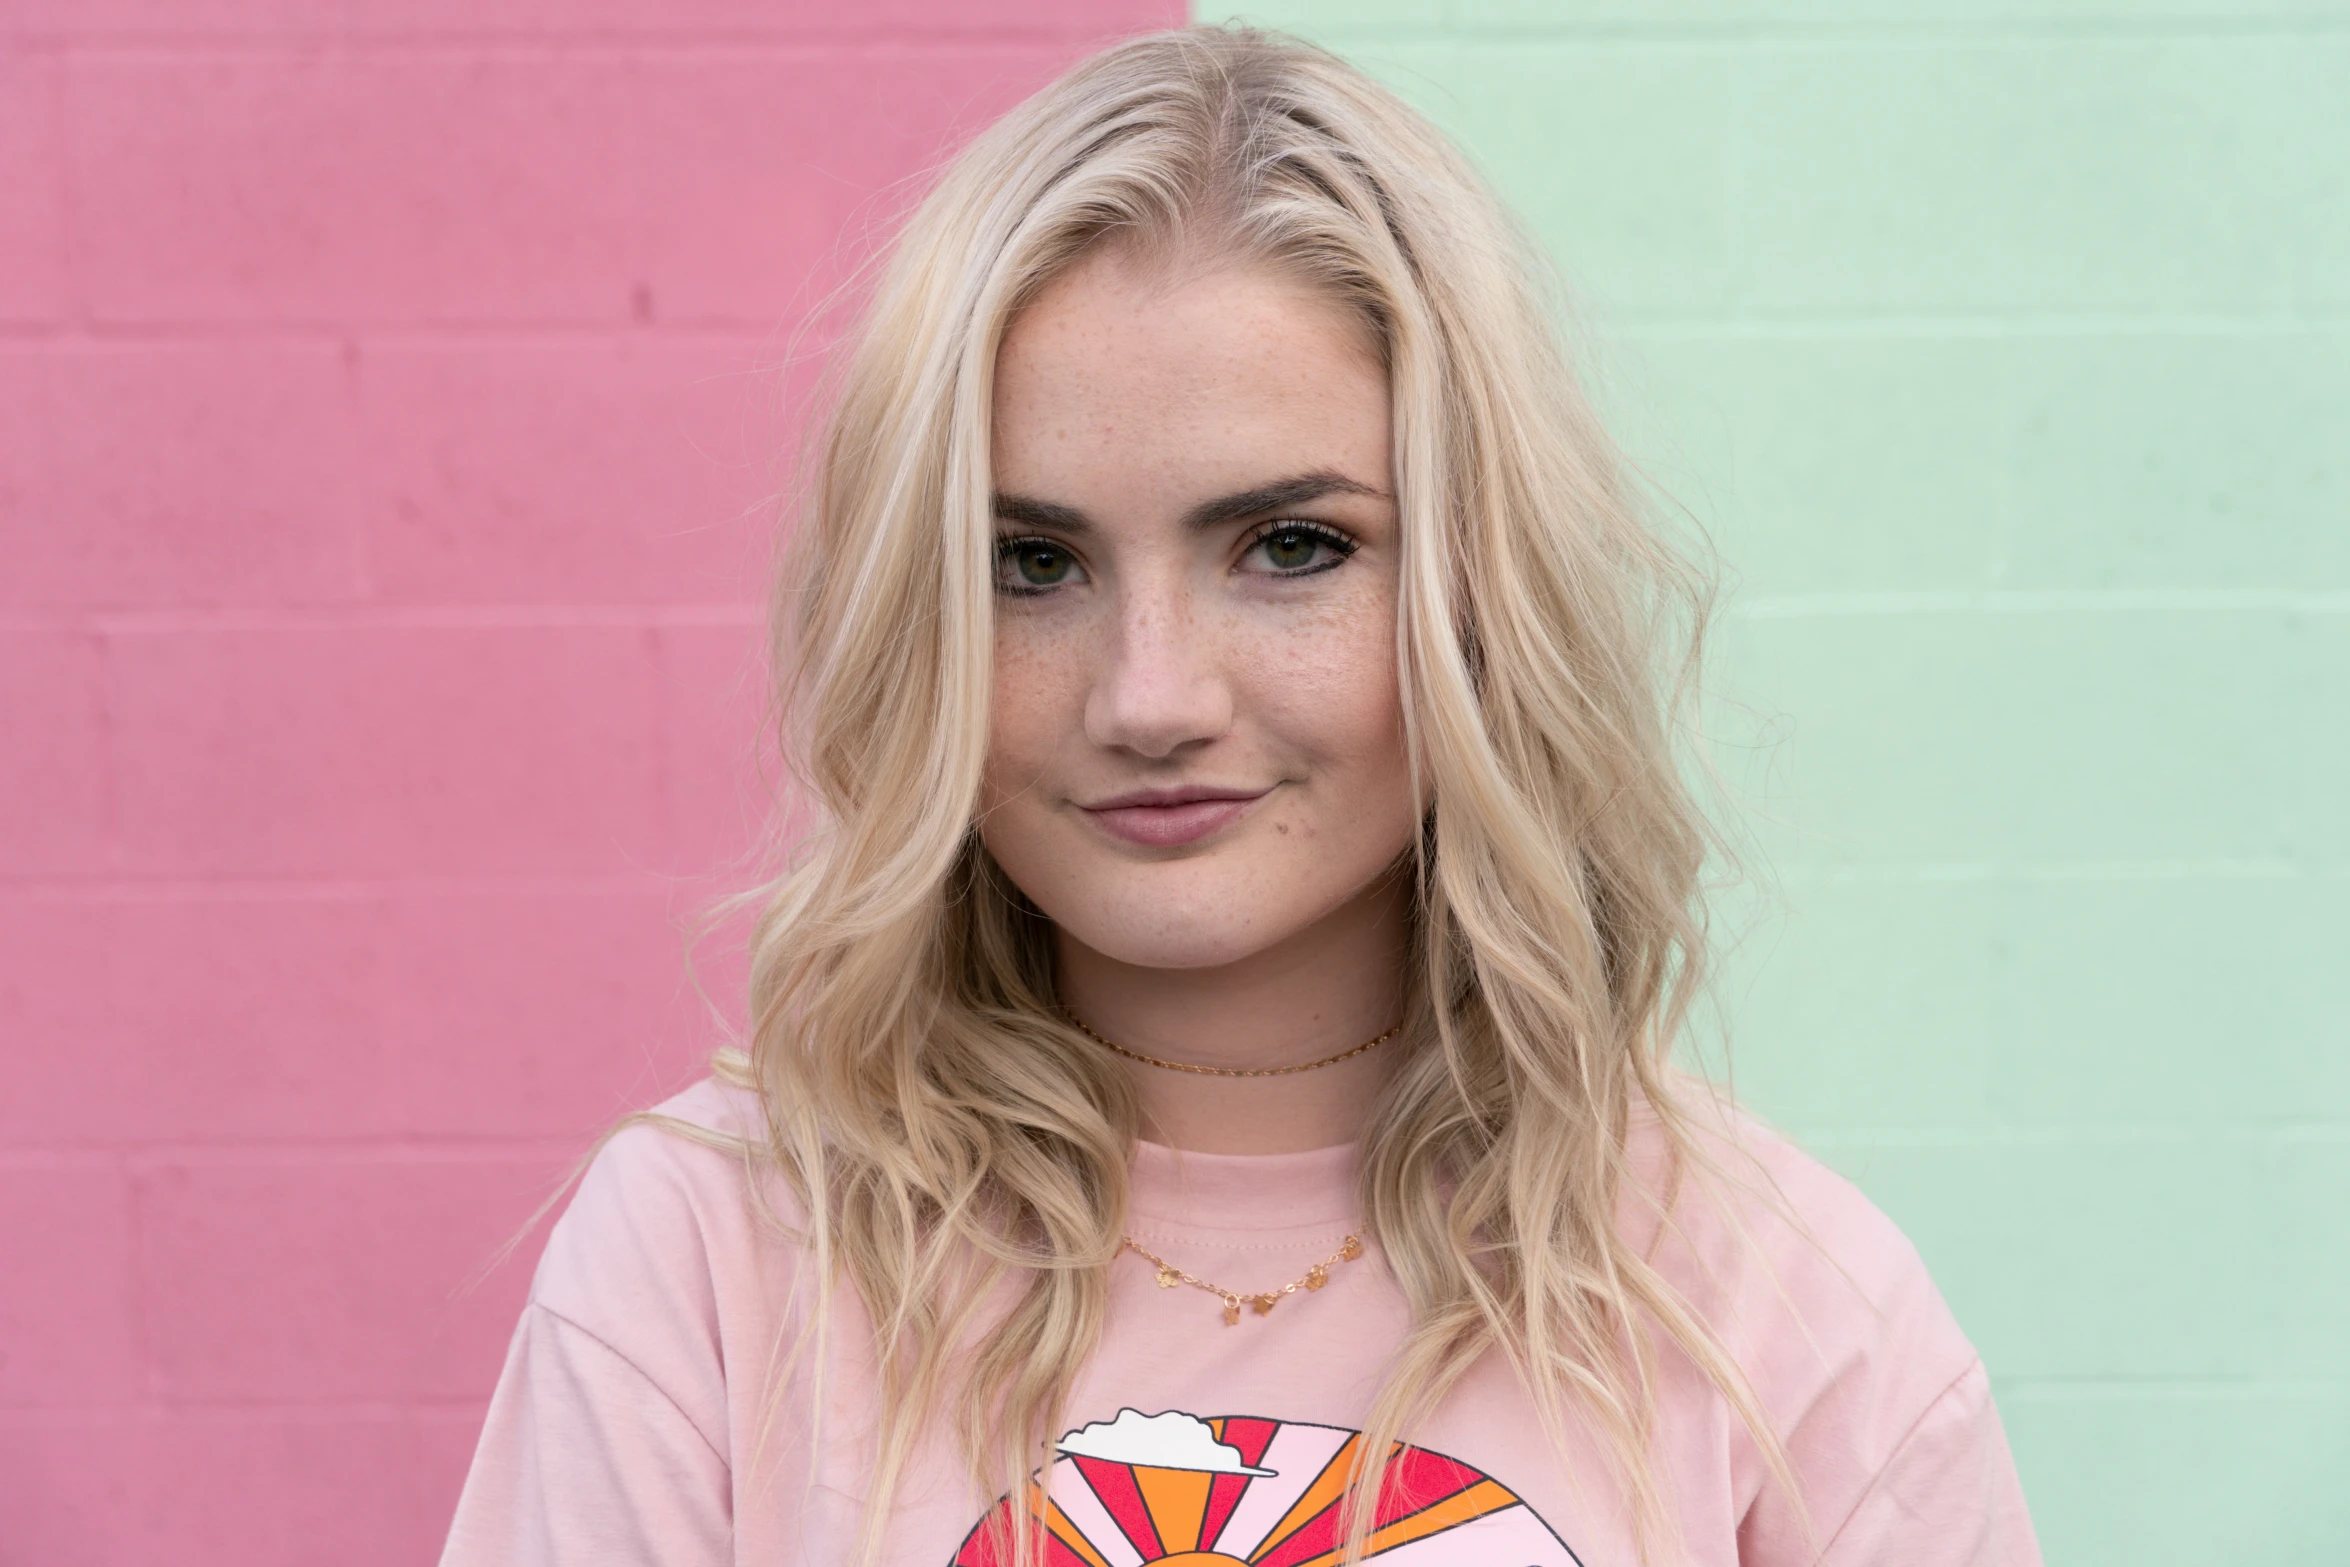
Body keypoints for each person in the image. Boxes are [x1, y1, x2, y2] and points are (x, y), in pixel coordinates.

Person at [440, 25, 2040, 1567]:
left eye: (1290, 547)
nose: (1151, 695)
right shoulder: (712, 1257)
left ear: (1483, 592)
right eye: (1030, 564)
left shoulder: (1783, 1314)